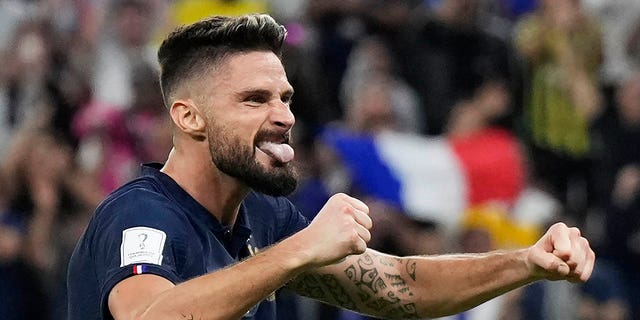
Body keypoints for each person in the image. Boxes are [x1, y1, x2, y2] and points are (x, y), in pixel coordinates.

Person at [67, 14, 595, 320]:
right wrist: (297, 252)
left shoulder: (264, 217)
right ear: (188, 116)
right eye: (254, 100)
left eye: (286, 98)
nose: (283, 117)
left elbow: (400, 286)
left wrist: (525, 261)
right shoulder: (140, 215)